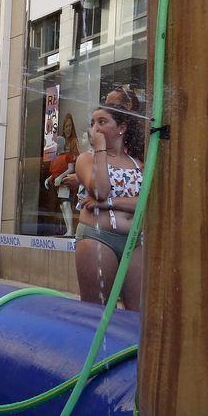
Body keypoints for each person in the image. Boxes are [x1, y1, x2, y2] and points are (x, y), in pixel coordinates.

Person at [73, 100, 146, 310]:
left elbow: (145, 203)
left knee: (136, 313)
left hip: (135, 241)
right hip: (98, 237)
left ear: (121, 128)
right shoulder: (87, 159)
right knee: (98, 311)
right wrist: (101, 150)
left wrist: (110, 204)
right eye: (93, 122)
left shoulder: (138, 164)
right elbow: (100, 190)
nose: (96, 127)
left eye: (103, 121)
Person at [44, 135, 78, 237]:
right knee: (62, 206)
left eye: (57, 143)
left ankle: (70, 230)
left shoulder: (67, 155)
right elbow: (54, 173)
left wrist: (60, 177)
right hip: (58, 185)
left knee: (66, 204)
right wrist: (48, 179)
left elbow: (70, 168)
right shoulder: (54, 158)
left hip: (65, 183)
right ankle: (69, 230)